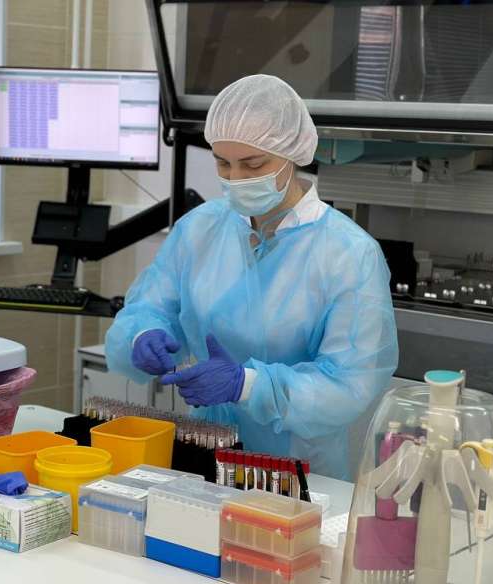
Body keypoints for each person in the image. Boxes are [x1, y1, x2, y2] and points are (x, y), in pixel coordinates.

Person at [105, 74, 398, 480]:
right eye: (223, 163)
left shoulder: (348, 254)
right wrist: (143, 334)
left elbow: (349, 386)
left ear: (293, 153)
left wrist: (246, 385)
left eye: (254, 165)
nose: (236, 178)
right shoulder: (201, 229)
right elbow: (149, 307)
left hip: (299, 474)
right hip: (206, 453)